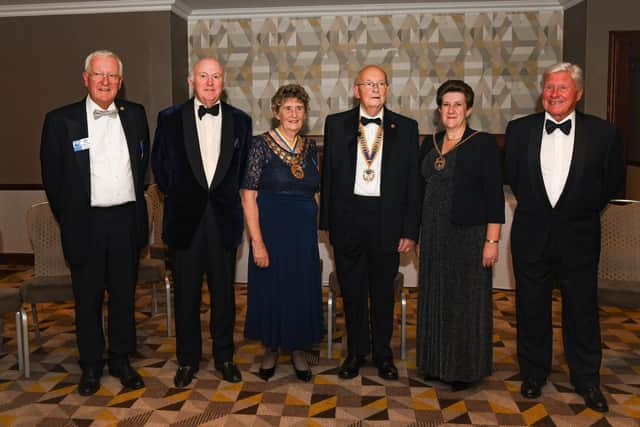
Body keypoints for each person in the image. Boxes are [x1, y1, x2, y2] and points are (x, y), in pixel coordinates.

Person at [505, 62, 624, 412]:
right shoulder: (519, 130)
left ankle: (587, 379)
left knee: (582, 311)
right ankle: (533, 374)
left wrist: (576, 211)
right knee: (530, 308)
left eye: (563, 88)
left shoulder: (604, 134)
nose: (554, 94)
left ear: (579, 94)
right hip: (531, 235)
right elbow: (514, 178)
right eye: (549, 87)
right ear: (542, 92)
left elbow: (612, 185)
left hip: (579, 237)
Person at [40, 50, 148, 395]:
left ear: (120, 81)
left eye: (112, 76)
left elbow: (141, 167)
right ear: (85, 78)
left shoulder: (136, 115)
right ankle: (90, 366)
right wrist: (71, 217)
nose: (105, 82)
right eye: (99, 75)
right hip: (84, 223)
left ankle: (120, 360)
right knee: (87, 299)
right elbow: (53, 179)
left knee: (122, 297)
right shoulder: (60, 121)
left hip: (125, 222)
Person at [151, 57, 252, 386]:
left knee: (224, 296)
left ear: (224, 82)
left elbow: (244, 170)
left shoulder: (242, 121)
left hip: (224, 221)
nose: (209, 82)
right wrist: (182, 196)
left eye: (216, 77)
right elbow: (160, 167)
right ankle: (187, 360)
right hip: (184, 221)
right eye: (203, 76)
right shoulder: (168, 119)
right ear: (190, 80)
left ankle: (225, 357)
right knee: (186, 296)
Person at [319, 65, 420, 380]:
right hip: (348, 221)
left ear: (387, 89)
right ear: (356, 90)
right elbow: (329, 177)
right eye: (368, 83)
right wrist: (328, 224)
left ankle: (383, 354)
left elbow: (412, 184)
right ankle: (356, 352)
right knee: (352, 292)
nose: (375, 89)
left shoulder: (406, 127)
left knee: (382, 292)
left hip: (387, 222)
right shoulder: (335, 125)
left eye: (381, 84)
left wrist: (409, 230)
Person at [416, 80, 504, 391]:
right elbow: (418, 191)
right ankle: (435, 364)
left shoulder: (482, 144)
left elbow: (494, 197)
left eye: (458, 104)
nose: (451, 110)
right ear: (439, 110)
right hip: (434, 236)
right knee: (435, 297)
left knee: (464, 303)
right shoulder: (431, 143)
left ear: (468, 108)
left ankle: (463, 369)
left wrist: (491, 241)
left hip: (469, 237)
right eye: (446, 105)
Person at [241, 84, 322, 382]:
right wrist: (257, 243)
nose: (294, 114)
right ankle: (271, 349)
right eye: (287, 108)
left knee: (300, 289)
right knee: (273, 290)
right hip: (271, 233)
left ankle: (298, 350)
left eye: (299, 108)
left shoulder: (309, 147)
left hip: (302, 236)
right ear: (276, 113)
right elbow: (248, 195)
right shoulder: (259, 145)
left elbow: (315, 191)